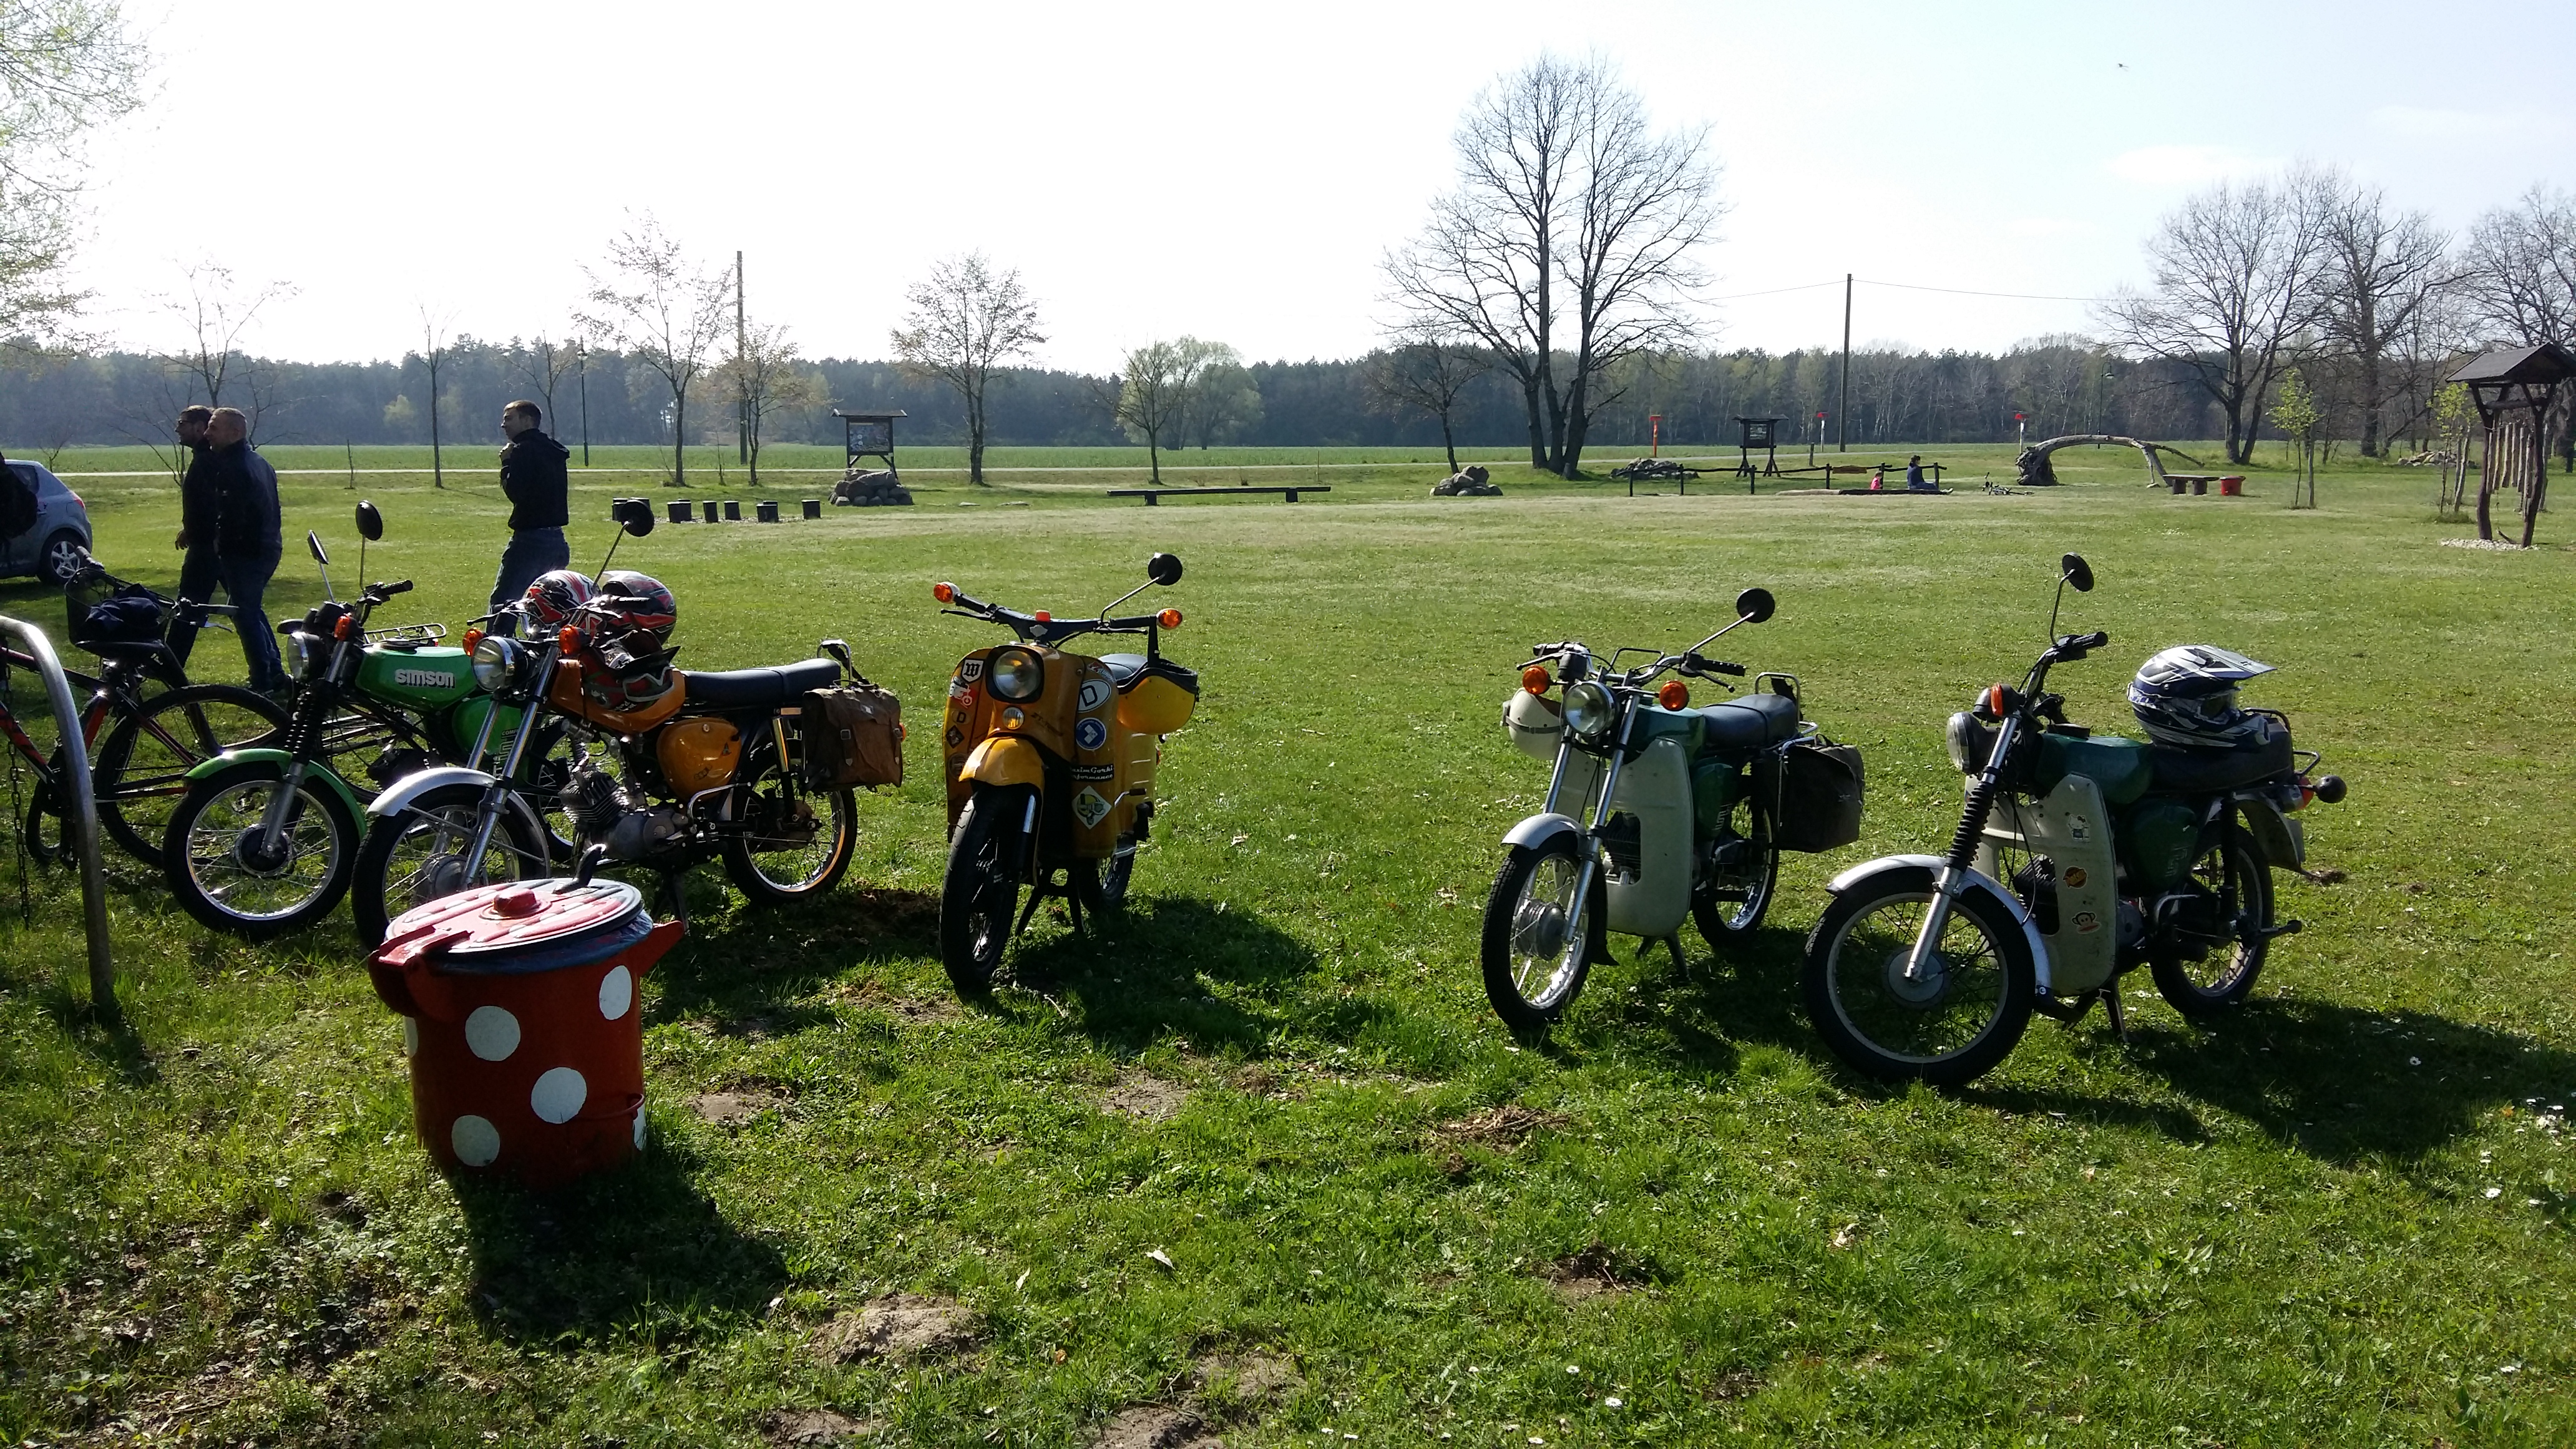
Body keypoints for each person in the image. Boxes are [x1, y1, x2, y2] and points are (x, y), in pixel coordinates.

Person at [170, 407, 285, 695]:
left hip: (240, 552)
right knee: (248, 611)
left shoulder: (230, 465)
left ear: (234, 432)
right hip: (254, 549)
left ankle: (264, 681)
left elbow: (232, 513)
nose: (208, 434)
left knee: (231, 612)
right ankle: (274, 674)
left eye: (213, 428)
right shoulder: (253, 460)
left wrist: (218, 544)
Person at [492, 399, 570, 612]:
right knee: (546, 607)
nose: (503, 425)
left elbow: (515, 493)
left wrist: (506, 463)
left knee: (505, 603)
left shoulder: (523, 450)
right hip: (557, 540)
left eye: (509, 419)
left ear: (527, 421)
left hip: (530, 541)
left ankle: (499, 636)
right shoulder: (553, 449)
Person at [165, 406, 220, 668]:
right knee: (245, 611)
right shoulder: (206, 458)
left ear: (199, 427)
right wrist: (189, 529)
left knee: (188, 606)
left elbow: (212, 506)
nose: (177, 429)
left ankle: (171, 664)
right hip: (210, 543)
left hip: (208, 548)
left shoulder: (207, 461)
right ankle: (268, 668)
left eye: (182, 423)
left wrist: (196, 531)